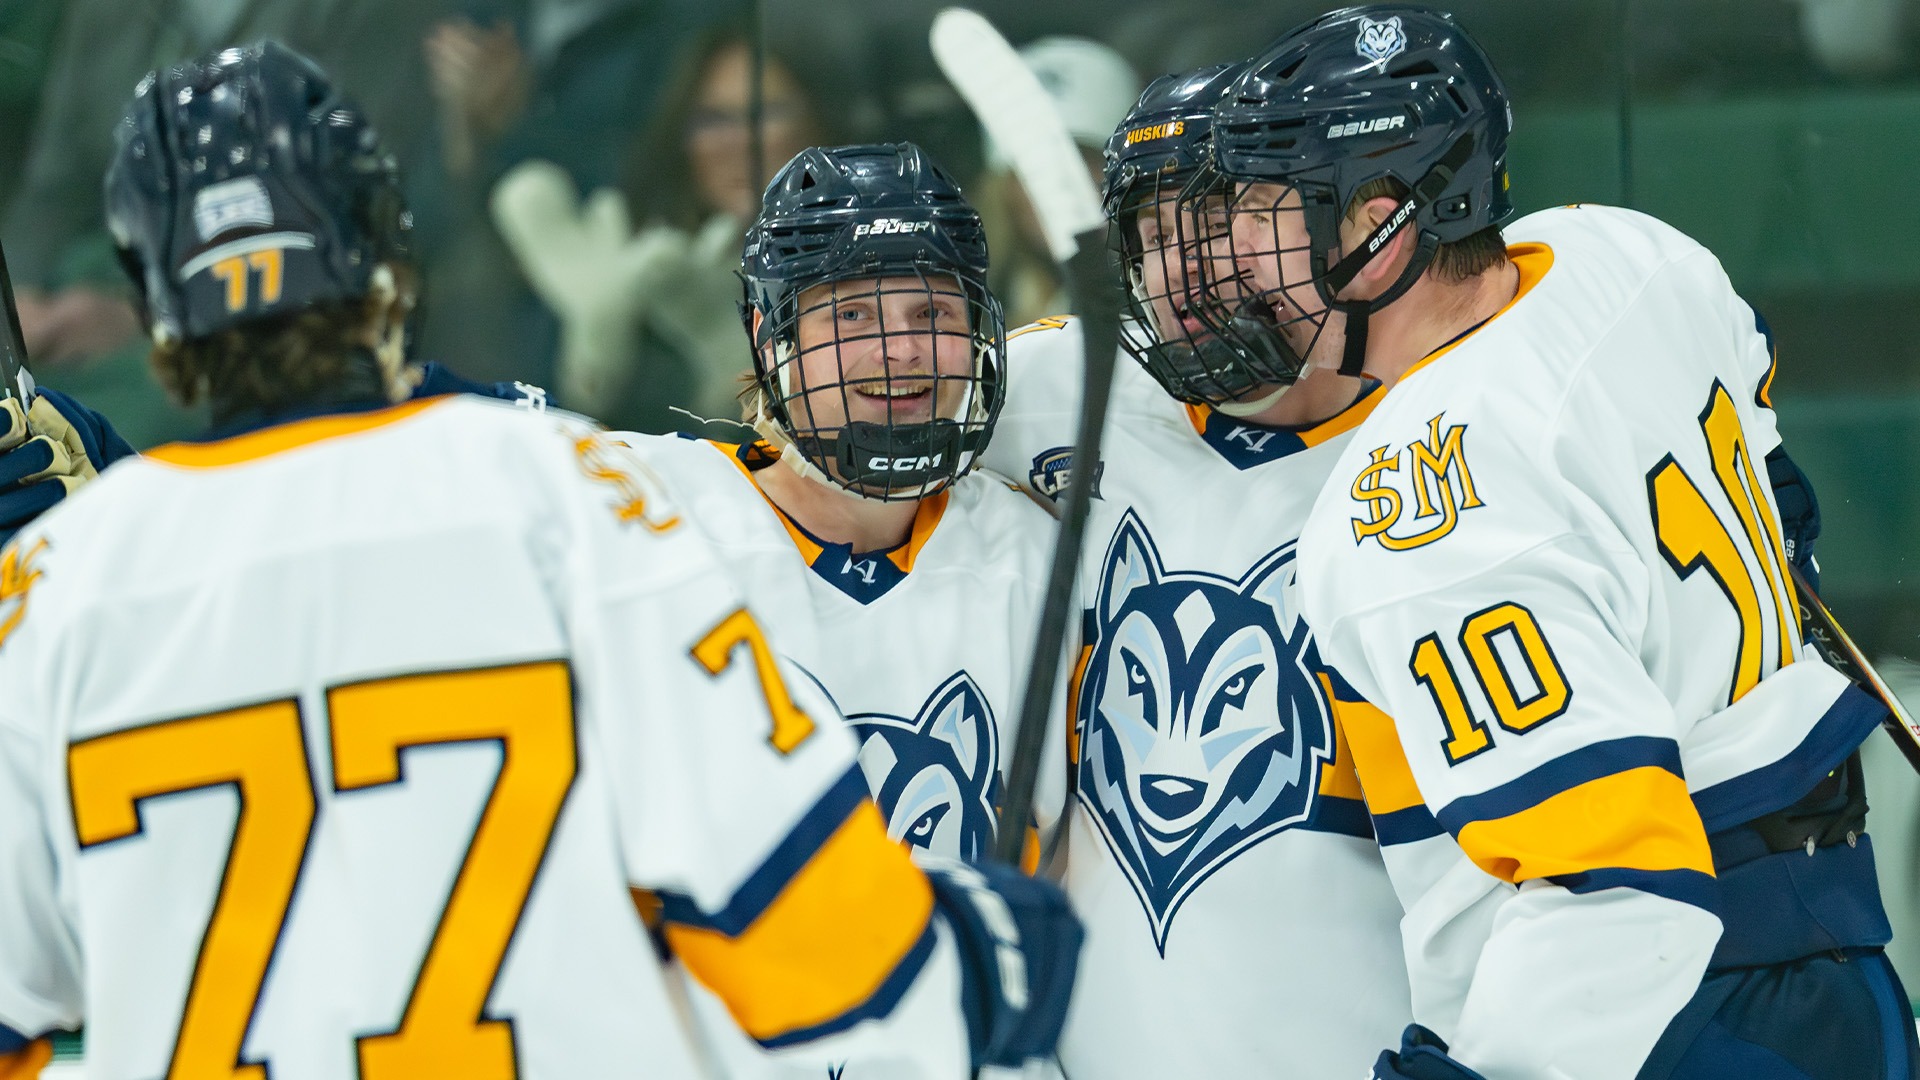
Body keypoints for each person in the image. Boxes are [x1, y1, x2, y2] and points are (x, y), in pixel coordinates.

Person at [0, 43, 1080, 1079]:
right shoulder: (560, 494)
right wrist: (969, 961)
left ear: (148, 297)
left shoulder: (56, 585)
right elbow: (792, 920)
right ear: (383, 254)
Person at [1204, 7, 1914, 1078]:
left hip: (1686, 1014)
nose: (1239, 258)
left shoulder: (1411, 508)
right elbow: (1780, 493)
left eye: (1266, 214)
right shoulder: (1622, 248)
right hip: (1843, 951)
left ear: (1384, 224)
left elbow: (1618, 881)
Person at [977, 63, 1413, 1078]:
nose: (1190, 275)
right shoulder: (1052, 391)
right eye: (1154, 240)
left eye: (1222, 224)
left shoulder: (1444, 433)